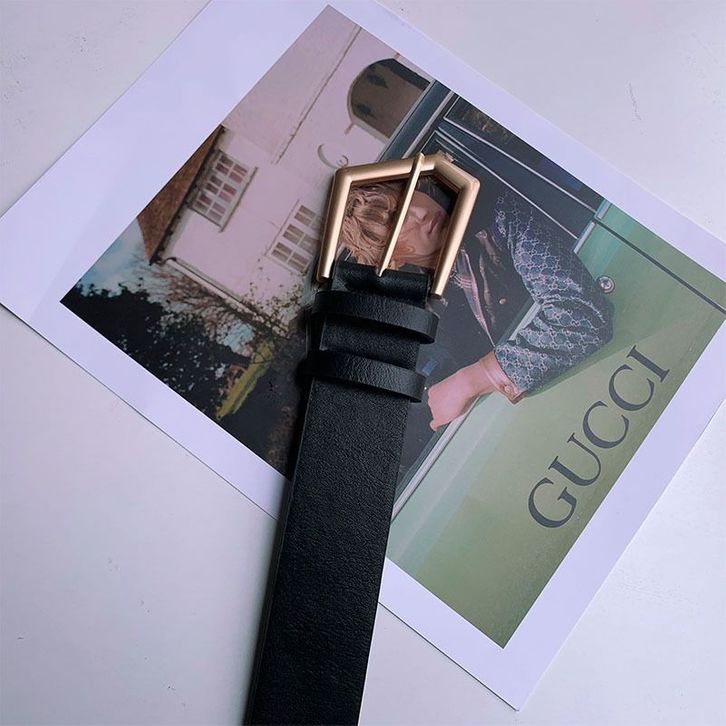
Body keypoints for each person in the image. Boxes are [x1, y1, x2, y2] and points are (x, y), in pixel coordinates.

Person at [339, 175, 613, 433]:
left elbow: (581, 316)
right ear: (390, 259)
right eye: (399, 220)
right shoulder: (428, 310)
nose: (420, 212)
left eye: (411, 194)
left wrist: (474, 379)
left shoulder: (497, 216)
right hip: (572, 411)